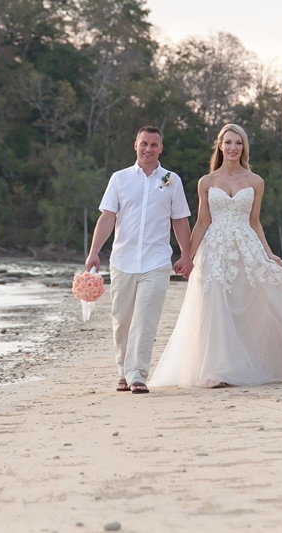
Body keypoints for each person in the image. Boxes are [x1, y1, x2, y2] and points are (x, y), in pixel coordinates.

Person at [149, 124, 282, 389]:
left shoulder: (255, 181)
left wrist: (269, 253)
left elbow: (255, 222)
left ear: (243, 147)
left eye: (238, 143)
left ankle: (255, 362)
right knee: (214, 306)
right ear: (220, 145)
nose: (233, 148)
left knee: (250, 302)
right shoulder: (207, 181)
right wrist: (188, 256)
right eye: (228, 142)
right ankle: (216, 371)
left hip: (245, 246)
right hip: (214, 249)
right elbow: (202, 222)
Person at [85, 126, 193, 394]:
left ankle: (137, 375)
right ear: (135, 145)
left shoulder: (172, 180)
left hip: (157, 263)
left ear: (161, 148)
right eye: (144, 143)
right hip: (122, 260)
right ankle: (122, 370)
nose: (148, 149)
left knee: (146, 319)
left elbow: (179, 220)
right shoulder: (119, 179)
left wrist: (186, 255)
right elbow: (107, 217)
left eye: (153, 145)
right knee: (122, 319)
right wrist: (94, 251)